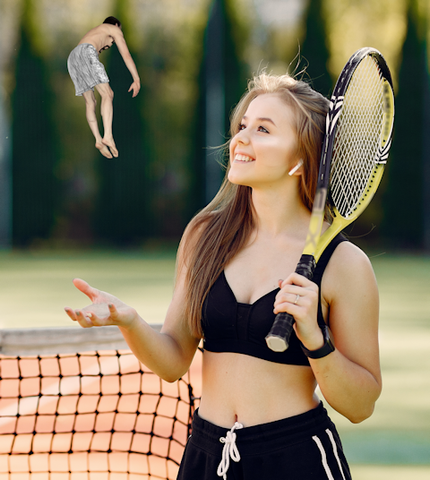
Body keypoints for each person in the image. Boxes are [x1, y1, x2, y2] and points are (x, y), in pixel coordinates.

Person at [65, 71, 382, 479]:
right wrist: (129, 319)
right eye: (242, 126)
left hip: (296, 459)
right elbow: (173, 361)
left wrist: (316, 341)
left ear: (301, 159)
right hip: (206, 456)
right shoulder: (205, 237)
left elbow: (360, 405)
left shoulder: (344, 264)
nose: (240, 139)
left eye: (263, 129)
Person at [67, 16, 140, 159]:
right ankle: (108, 135)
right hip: (86, 53)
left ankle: (98, 139)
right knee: (108, 94)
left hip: (73, 58)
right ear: (116, 25)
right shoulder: (113, 29)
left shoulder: (95, 33)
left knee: (91, 102)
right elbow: (126, 55)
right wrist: (136, 78)